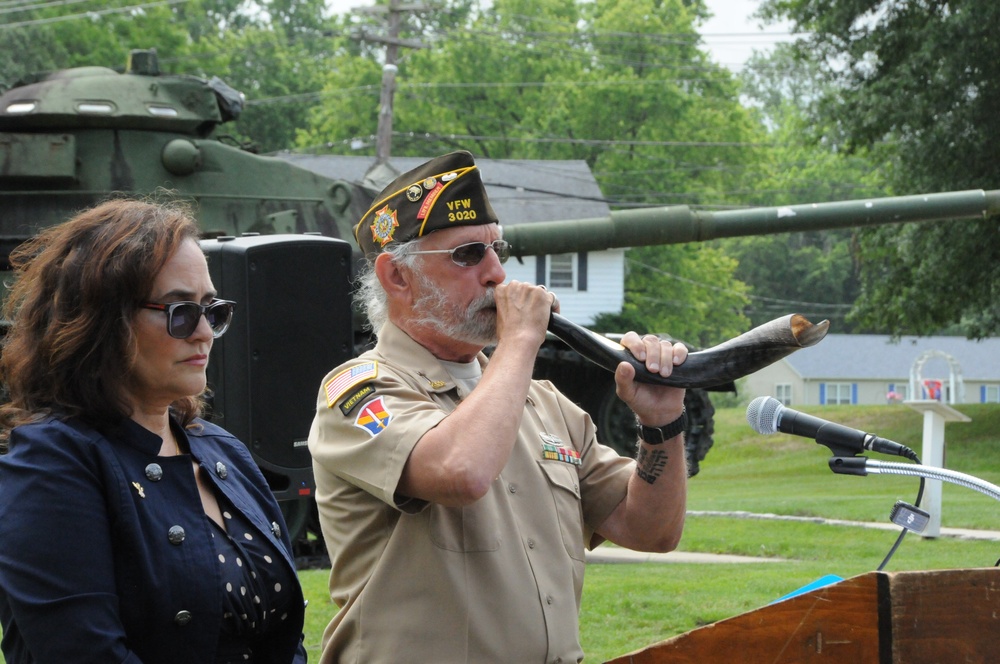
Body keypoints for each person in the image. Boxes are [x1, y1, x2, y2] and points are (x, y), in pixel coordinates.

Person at [308, 150, 690, 663]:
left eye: (498, 249)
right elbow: (459, 471)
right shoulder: (357, 392)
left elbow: (651, 529)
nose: (497, 274)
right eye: (468, 255)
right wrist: (519, 345)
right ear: (397, 277)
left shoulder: (542, 403)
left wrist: (661, 421)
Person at [0, 199, 307, 663]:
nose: (204, 332)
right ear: (104, 320)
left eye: (212, 310)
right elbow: (83, 653)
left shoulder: (222, 452)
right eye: (181, 311)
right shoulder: (51, 462)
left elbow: (285, 641)